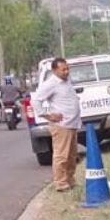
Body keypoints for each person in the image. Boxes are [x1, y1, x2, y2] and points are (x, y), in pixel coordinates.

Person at [31, 57, 81, 192]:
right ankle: (60, 183)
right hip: (61, 125)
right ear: (54, 70)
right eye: (63, 69)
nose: (66, 72)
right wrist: (47, 115)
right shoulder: (51, 84)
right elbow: (36, 101)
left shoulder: (67, 81)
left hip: (72, 123)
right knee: (62, 155)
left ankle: (70, 180)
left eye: (67, 69)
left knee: (72, 155)